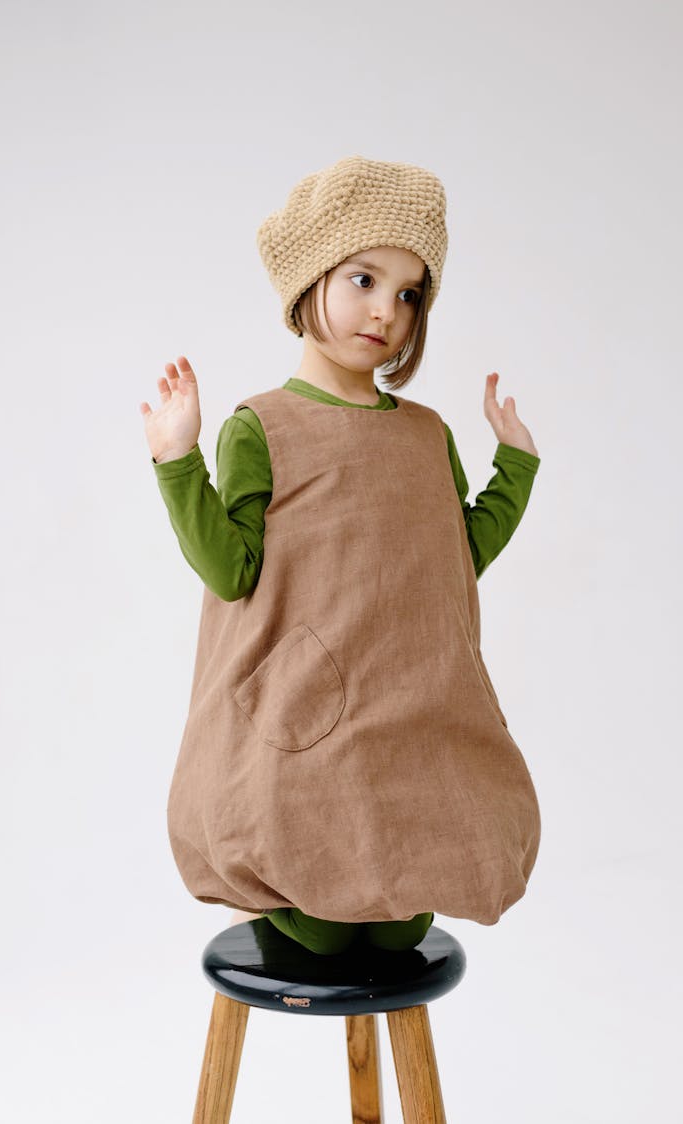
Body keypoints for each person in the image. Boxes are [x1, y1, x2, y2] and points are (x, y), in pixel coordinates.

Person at [140, 155, 542, 957]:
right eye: (363, 279)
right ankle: (285, 891)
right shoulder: (261, 426)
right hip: (304, 720)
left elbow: (455, 559)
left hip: (412, 712)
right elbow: (231, 572)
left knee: (405, 919)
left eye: (407, 293)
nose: (386, 313)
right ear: (308, 281)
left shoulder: (426, 433)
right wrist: (179, 462)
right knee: (323, 920)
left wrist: (515, 470)